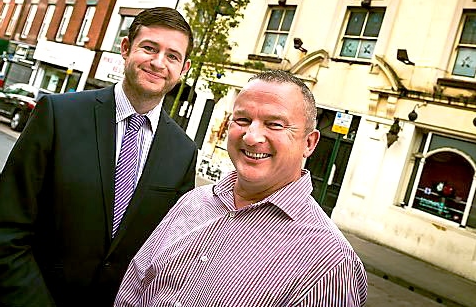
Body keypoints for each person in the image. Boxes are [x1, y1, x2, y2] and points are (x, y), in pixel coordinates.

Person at [114, 69, 368, 306]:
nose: (251, 136)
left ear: (309, 143)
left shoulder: (331, 263)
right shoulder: (194, 202)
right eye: (243, 119)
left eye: (275, 124)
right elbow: (134, 285)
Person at [0, 7, 198, 306]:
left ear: (184, 68)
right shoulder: (58, 115)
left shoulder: (184, 152)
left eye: (172, 56)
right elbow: (7, 226)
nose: (159, 62)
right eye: (149, 48)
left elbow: (165, 254)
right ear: (126, 48)